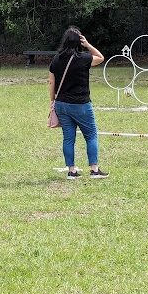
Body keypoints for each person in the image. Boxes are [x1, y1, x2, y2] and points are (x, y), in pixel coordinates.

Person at [48, 26, 108, 179]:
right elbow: (100, 57)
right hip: (81, 104)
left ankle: (71, 171)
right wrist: (87, 45)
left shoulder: (56, 59)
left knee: (68, 138)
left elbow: (51, 82)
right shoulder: (84, 58)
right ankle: (94, 169)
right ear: (79, 42)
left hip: (61, 104)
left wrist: (52, 101)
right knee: (91, 135)